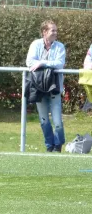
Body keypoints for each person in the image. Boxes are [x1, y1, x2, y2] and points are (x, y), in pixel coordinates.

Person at [26, 20, 66, 152]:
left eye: (56, 30)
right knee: (44, 120)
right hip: (39, 87)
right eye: (52, 30)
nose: (55, 33)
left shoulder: (60, 46)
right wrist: (47, 63)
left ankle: (58, 146)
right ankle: (49, 146)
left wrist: (42, 62)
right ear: (44, 32)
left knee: (58, 122)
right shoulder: (35, 44)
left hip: (54, 87)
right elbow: (30, 62)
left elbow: (60, 63)